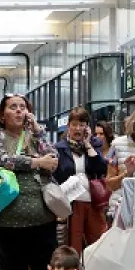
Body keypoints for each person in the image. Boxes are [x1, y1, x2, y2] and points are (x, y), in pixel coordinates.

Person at [0, 93, 58, 270]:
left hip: (43, 219)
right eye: (13, 107)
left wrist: (39, 133)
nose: (19, 111)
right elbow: (0, 159)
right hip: (6, 223)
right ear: (2, 115)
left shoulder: (35, 138)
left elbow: (53, 161)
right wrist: (36, 162)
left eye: (22, 107)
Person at [54, 106, 108, 252]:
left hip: (94, 201)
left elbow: (102, 168)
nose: (78, 128)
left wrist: (88, 145)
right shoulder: (59, 148)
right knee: (73, 245)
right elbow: (57, 175)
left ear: (87, 127)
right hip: (72, 202)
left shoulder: (94, 144)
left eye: (82, 125)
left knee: (98, 243)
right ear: (68, 126)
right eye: (74, 125)